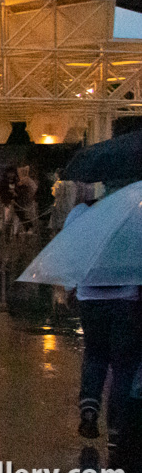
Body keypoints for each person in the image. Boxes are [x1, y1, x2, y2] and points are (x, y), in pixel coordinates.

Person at [68, 190, 141, 444]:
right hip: (126, 298)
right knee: (124, 364)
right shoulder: (135, 213)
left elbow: (70, 250)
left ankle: (89, 410)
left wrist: (71, 286)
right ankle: (116, 428)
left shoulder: (80, 212)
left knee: (95, 353)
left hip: (90, 297)